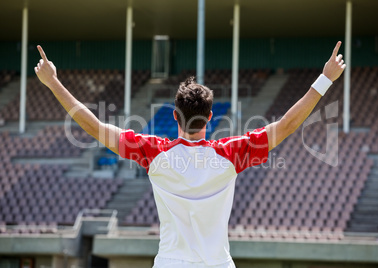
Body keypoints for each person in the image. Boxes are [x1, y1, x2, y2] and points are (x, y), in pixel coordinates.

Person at [34, 42, 345, 267]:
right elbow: (288, 124)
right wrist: (326, 78)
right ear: (211, 118)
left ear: (174, 116)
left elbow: (95, 126)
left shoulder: (155, 154)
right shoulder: (230, 155)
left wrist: (53, 82)